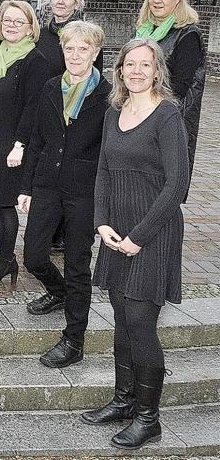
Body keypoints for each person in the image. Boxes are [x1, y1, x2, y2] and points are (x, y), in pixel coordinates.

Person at [82, 38, 189, 450]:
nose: (137, 71)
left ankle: (150, 418)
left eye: (146, 65)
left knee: (142, 325)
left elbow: (176, 184)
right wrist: (101, 223)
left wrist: (138, 237)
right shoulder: (114, 112)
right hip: (116, 231)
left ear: (157, 70)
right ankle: (124, 400)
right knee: (122, 320)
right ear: (120, 70)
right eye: (130, 65)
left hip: (153, 231)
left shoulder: (168, 116)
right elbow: (104, 173)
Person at [18, 21, 110, 368]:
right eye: (69, 48)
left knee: (77, 265)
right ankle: (57, 292)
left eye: (83, 49)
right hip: (46, 185)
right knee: (33, 256)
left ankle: (74, 339)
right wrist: (26, 187)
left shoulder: (108, 96)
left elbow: (107, 152)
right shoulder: (50, 87)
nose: (75, 55)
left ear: (95, 53)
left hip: (83, 193)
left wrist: (105, 201)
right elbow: (38, 141)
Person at [0, 0, 57, 298]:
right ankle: (6, 262)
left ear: (31, 27)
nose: (12, 25)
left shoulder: (34, 61)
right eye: (7, 20)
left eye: (19, 21)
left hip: (11, 145)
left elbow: (33, 110)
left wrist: (20, 146)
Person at [36, 0, 103, 253]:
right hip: (49, 101)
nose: (61, 2)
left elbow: (95, 77)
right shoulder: (40, 35)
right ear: (49, 1)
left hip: (76, 106)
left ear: (76, 3)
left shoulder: (87, 35)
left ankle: (64, 232)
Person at [134, 0, 205, 175]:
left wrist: (145, 107)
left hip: (168, 121)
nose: (157, 0)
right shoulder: (142, 31)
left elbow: (179, 87)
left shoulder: (188, 34)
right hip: (137, 115)